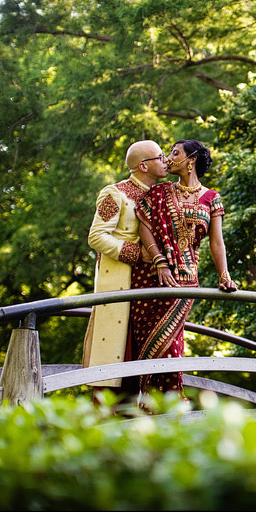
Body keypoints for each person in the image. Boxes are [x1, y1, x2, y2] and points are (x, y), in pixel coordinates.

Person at [121, 139, 237, 406]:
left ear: (191, 159)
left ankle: (169, 407)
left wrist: (224, 276)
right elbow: (144, 226)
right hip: (151, 279)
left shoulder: (211, 198)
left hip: (185, 281)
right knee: (146, 344)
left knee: (172, 346)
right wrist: (159, 261)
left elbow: (216, 242)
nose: (168, 159)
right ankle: (143, 408)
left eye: (174, 154)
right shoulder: (159, 191)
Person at [82, 140, 169, 400]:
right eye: (160, 156)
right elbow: (96, 237)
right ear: (143, 165)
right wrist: (137, 254)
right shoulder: (114, 193)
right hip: (119, 284)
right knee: (114, 361)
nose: (166, 160)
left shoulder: (161, 195)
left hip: (149, 286)